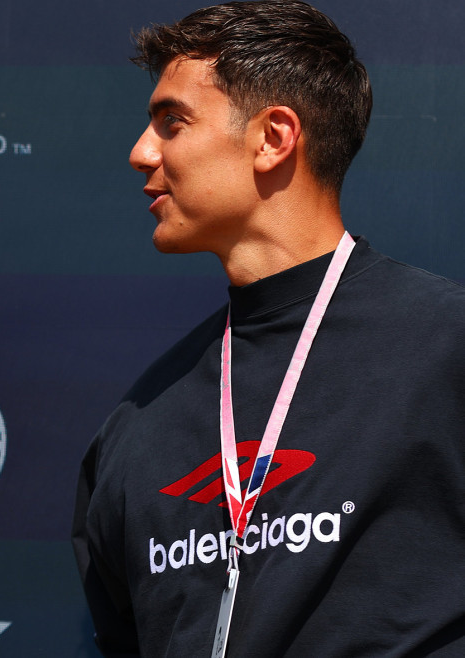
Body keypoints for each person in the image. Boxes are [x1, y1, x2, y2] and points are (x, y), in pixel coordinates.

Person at [72, 1, 465, 655]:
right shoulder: (134, 427)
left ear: (273, 137)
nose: (142, 154)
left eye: (172, 122)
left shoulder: (447, 347)